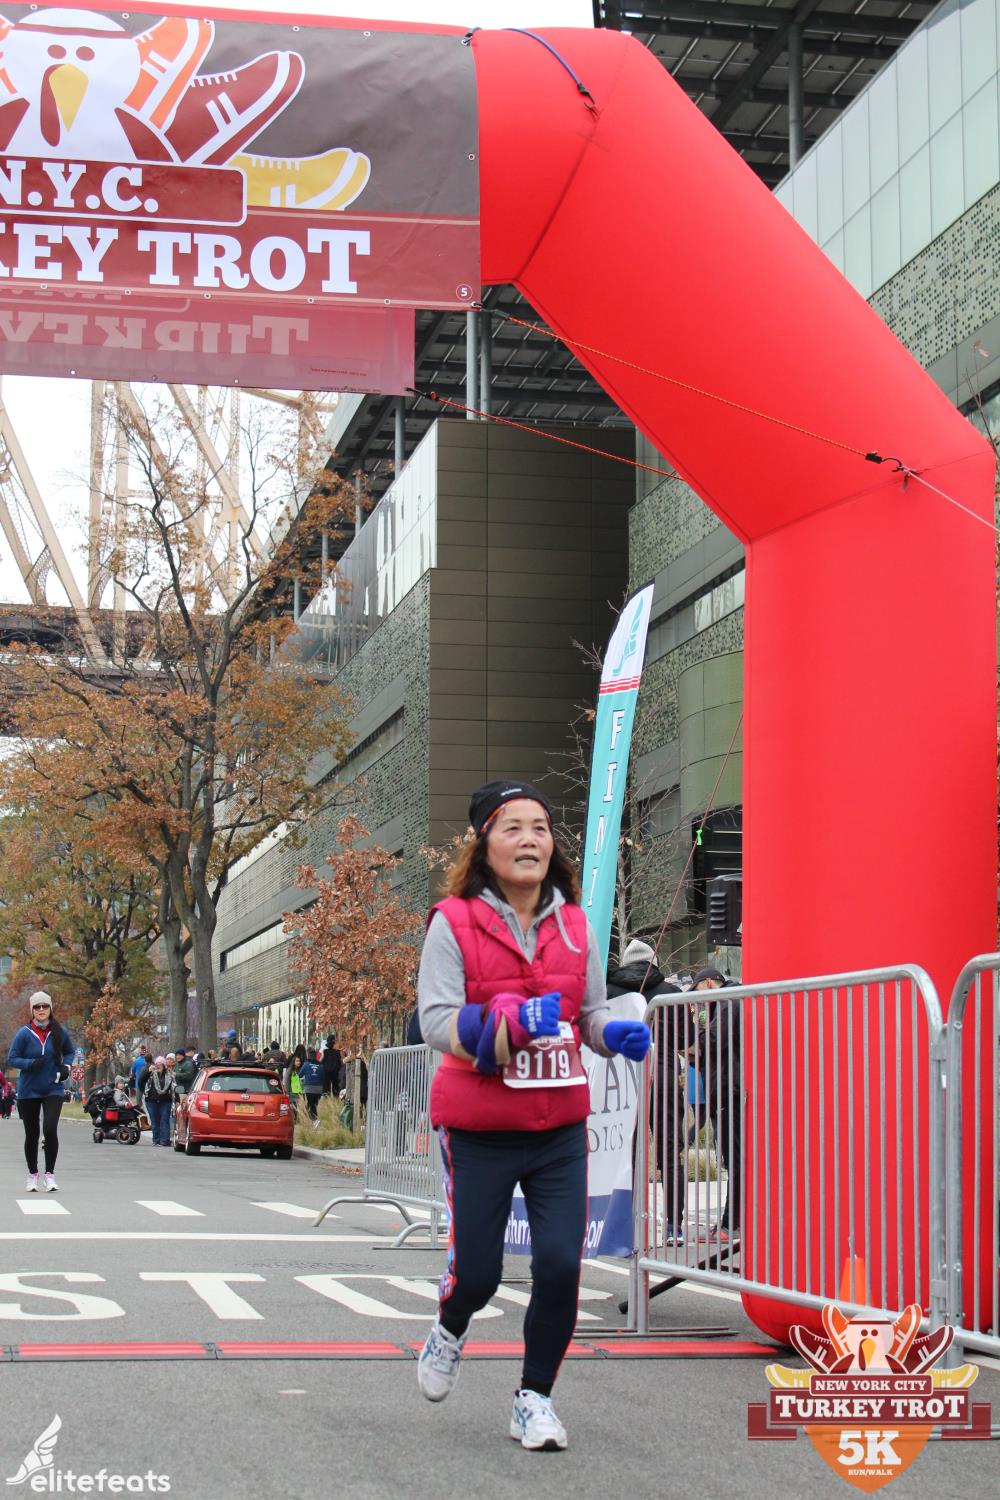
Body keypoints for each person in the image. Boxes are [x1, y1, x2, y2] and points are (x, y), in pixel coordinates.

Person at [416, 779, 650, 1451]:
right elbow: (435, 1022)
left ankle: (535, 1399)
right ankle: (450, 1327)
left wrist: (610, 1034)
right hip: (481, 1129)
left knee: (558, 1265)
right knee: (479, 1274)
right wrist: (512, 1024)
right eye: (512, 827)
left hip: (559, 1131)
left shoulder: (576, 925)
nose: (529, 840)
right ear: (484, 843)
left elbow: (587, 1014)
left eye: (540, 828)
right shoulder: (452, 922)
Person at [607, 938, 687, 1245]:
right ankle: (674, 1226)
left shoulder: (610, 991)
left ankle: (624, 1225)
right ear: (654, 961)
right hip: (662, 1073)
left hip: (624, 1078)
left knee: (625, 1152)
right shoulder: (670, 992)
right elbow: (686, 1039)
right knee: (670, 1151)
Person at [687, 964, 742, 1240]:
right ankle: (730, 1223)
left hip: (727, 1090)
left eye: (697, 990)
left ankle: (730, 1224)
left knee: (733, 1159)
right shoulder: (729, 1001)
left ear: (708, 983)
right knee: (732, 1158)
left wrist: (694, 1027)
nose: (698, 998)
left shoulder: (726, 1002)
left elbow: (713, 1041)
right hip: (726, 1089)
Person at [6, 991, 75, 1191]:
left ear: (50, 1008)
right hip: (29, 1090)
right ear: (32, 1010)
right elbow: (12, 1058)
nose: (41, 1009)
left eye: (45, 1006)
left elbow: (69, 1051)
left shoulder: (59, 1031)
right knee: (32, 1134)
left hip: (53, 1087)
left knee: (50, 1130)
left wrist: (66, 1067)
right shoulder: (24, 1033)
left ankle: (50, 1175)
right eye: (37, 1007)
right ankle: (32, 1174)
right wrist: (30, 1063)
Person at [141, 1056, 174, 1146]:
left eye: (160, 1064)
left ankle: (164, 1140)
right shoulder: (150, 1074)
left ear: (164, 1065)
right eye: (156, 1064)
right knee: (154, 1121)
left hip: (165, 1101)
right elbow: (141, 1081)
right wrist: (148, 1071)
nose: (158, 1066)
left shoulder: (169, 1074)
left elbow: (174, 1087)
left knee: (164, 1120)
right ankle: (156, 1140)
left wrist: (176, 1100)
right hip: (151, 1100)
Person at [299, 1048, 325, 1123]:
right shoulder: (321, 1065)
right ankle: (313, 1120)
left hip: (309, 1088)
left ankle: (315, 1120)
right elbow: (323, 1077)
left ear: (308, 1056)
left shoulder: (306, 1064)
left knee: (310, 1105)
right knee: (314, 1105)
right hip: (319, 1089)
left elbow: (300, 1075)